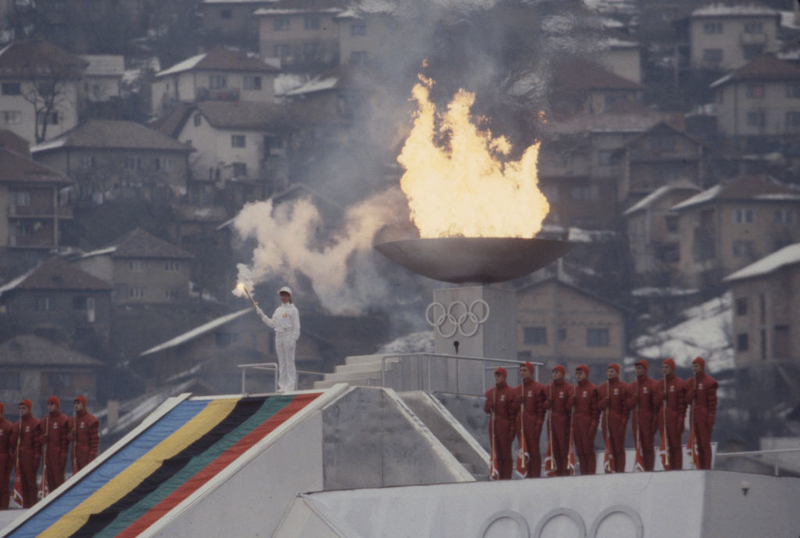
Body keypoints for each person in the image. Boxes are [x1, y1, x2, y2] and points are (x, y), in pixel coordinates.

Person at [254, 286, 301, 393]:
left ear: (289, 297)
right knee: (282, 361)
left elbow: (297, 326)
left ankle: (290, 386)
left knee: (289, 361)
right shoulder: (278, 310)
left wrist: (293, 339)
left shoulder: (293, 310)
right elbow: (272, 324)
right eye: (282, 295)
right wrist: (261, 314)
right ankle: (282, 386)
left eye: (285, 295)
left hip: (288, 335)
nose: (283, 297)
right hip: (278, 336)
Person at [511, 361, 546, 477]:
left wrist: (538, 425)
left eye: (525, 370)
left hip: (532, 423)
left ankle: (535, 475)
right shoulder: (517, 390)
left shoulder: (538, 388)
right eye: (521, 370)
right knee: (523, 450)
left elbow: (541, 409)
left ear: (531, 372)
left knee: (533, 451)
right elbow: (512, 410)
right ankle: (526, 474)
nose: (522, 373)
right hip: (520, 424)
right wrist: (517, 402)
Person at [685, 357, 717, 470]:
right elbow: (685, 400)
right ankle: (699, 466)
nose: (694, 368)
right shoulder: (690, 382)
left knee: (704, 443)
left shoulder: (709, 382)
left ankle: (706, 467)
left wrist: (710, 418)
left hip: (705, 416)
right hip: (694, 417)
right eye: (693, 366)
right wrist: (691, 394)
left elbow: (712, 403)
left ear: (702, 366)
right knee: (696, 443)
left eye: (697, 366)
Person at [483, 367, 516, 480]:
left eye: (499, 376)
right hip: (493, 427)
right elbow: (486, 410)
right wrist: (488, 405)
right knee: (495, 452)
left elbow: (513, 414)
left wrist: (512, 430)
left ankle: (506, 477)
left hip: (505, 426)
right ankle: (496, 474)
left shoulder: (510, 392)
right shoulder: (491, 392)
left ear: (504, 377)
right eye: (496, 376)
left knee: (505, 453)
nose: (497, 378)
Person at [654, 358, 686, 470]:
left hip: (674, 418)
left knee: (675, 445)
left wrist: (681, 420)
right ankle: (667, 467)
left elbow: (682, 404)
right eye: (663, 367)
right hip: (662, 419)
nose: (664, 369)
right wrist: (660, 397)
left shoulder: (679, 383)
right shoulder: (659, 384)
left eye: (667, 367)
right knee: (665, 443)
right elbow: (654, 403)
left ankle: (677, 468)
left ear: (672, 368)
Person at [627, 360, 659, 471]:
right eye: (636, 368)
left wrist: (654, 423)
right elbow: (626, 405)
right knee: (638, 446)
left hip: (648, 420)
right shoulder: (631, 386)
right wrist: (633, 400)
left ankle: (649, 470)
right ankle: (640, 467)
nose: (638, 370)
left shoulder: (652, 384)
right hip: (636, 420)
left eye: (640, 368)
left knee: (648, 447)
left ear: (645, 369)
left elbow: (656, 406)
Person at [597, 363, 628, 473]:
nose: (609, 373)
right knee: (608, 445)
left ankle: (620, 470)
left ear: (617, 372)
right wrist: (603, 403)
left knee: (618, 447)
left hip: (618, 420)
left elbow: (626, 407)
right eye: (608, 371)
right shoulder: (602, 387)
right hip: (606, 421)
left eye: (612, 371)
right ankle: (610, 468)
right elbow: (597, 406)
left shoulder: (623, 387)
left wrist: (623, 422)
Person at [544, 365, 574, 477]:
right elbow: (544, 405)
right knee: (553, 447)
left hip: (563, 419)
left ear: (562, 374)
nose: (555, 374)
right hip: (551, 419)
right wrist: (548, 402)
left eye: (557, 372)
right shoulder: (548, 388)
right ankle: (555, 471)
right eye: (553, 372)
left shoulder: (568, 387)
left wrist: (570, 401)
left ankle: (565, 471)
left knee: (563, 447)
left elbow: (569, 406)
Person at [569, 365, 599, 475]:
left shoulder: (592, 389)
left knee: (588, 450)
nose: (578, 376)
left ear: (586, 374)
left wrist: (593, 427)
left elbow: (596, 411)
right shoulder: (575, 390)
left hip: (587, 424)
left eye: (580, 373)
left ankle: (591, 473)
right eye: (577, 374)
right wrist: (570, 402)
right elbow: (569, 408)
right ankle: (583, 473)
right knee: (580, 451)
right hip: (577, 424)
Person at [11, 399, 40, 508]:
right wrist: (15, 435)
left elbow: (37, 443)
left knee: (31, 484)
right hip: (20, 459)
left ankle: (32, 506)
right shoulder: (18, 424)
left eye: (24, 408)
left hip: (30, 458)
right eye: (20, 408)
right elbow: (13, 444)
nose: (21, 411)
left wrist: (36, 459)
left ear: (29, 409)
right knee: (21, 484)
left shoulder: (35, 423)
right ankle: (23, 506)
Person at [39, 396, 69, 493]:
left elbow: (65, 439)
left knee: (58, 480)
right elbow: (39, 435)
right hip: (48, 454)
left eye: (51, 404)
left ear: (56, 405)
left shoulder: (62, 419)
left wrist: (63, 455)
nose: (49, 406)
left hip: (57, 453)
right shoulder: (45, 420)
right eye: (48, 404)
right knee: (50, 480)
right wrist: (43, 438)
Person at [68, 395, 99, 474]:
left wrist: (92, 455)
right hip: (75, 454)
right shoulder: (72, 420)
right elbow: (68, 437)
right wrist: (72, 434)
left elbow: (94, 440)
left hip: (86, 454)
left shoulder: (90, 420)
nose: (76, 405)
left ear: (83, 404)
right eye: (74, 403)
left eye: (78, 403)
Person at [0, 403, 13, 510]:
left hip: (3, 459)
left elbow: (12, 446)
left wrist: (10, 462)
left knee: (3, 485)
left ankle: (4, 509)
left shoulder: (7, 426)